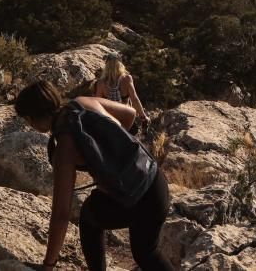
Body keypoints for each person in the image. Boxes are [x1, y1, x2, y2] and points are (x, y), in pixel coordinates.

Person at [15, 80, 174, 271]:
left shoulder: (64, 148)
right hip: (155, 180)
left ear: (32, 118)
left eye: (27, 120)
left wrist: (48, 265)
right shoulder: (84, 102)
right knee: (147, 250)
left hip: (136, 200)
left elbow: (61, 213)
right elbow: (130, 114)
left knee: (90, 216)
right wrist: (112, 155)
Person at [94, 53, 149, 127]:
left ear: (107, 66)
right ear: (120, 64)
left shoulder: (101, 82)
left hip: (109, 118)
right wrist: (143, 117)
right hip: (125, 117)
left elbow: (98, 103)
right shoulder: (127, 79)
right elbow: (134, 99)